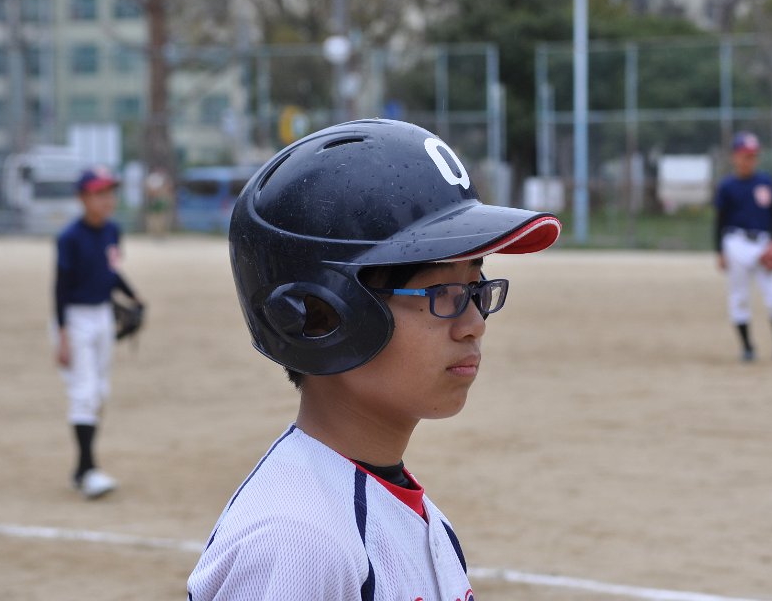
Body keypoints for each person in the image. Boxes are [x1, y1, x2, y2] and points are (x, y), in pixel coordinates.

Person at [187, 119, 561, 599]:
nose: (474, 324)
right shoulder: (298, 543)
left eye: (475, 287)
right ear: (321, 314)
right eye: (441, 292)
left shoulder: (402, 511)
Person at [54, 168, 142, 499]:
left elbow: (111, 272)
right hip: (75, 319)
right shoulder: (69, 237)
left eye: (110, 192)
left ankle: (82, 469)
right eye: (99, 193)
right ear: (82, 198)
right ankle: (90, 471)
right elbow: (61, 288)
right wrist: (62, 333)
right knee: (85, 393)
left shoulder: (112, 231)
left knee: (100, 392)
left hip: (103, 315)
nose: (107, 199)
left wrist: (133, 296)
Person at [714, 132, 772, 363]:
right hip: (736, 243)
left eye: (753, 156)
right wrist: (719, 251)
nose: (749, 160)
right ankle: (747, 348)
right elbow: (720, 221)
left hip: (763, 243)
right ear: (735, 157)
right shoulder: (727, 186)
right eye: (745, 155)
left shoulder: (765, 182)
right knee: (740, 297)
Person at [144, 167, 173, 238]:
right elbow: (149, 189)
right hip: (154, 199)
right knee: (155, 217)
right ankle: (155, 232)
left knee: (161, 217)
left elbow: (167, 188)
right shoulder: (153, 178)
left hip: (159, 199)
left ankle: (160, 232)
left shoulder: (161, 178)